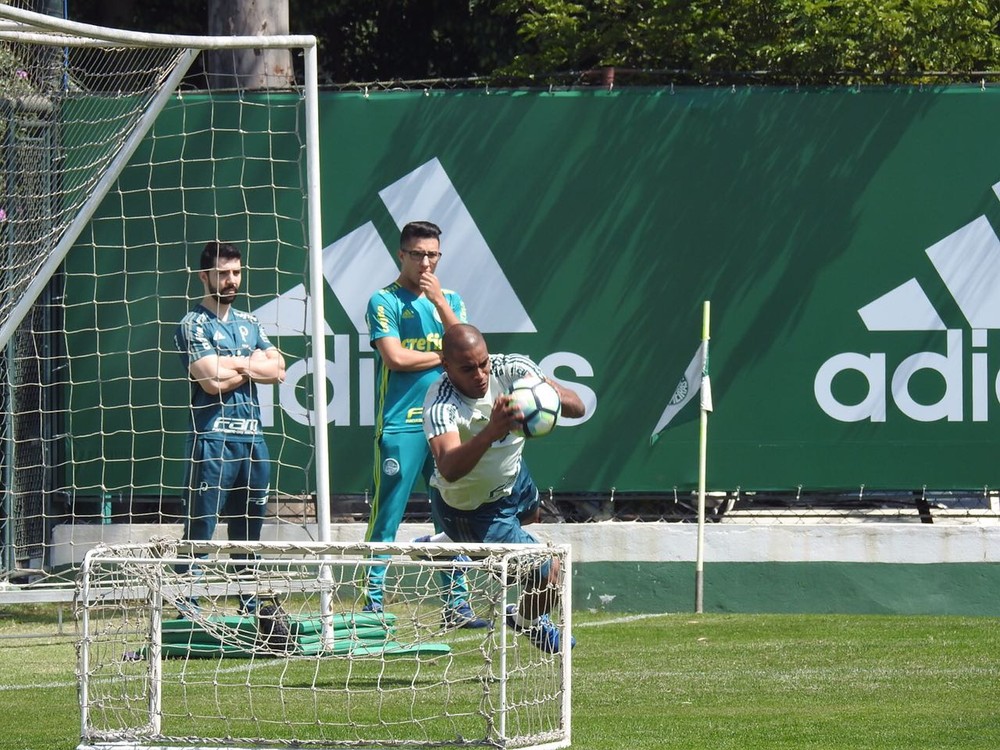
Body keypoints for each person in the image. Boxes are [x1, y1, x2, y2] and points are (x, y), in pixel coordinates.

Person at [422, 323, 586, 652]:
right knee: (548, 572)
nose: (480, 374)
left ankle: (447, 545)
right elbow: (450, 468)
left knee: (533, 513)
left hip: (512, 478)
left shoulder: (511, 368)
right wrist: (491, 431)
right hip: (471, 507)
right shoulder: (441, 402)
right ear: (446, 366)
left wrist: (547, 393)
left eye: (483, 363)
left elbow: (578, 407)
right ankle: (527, 621)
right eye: (468, 368)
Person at [363, 220, 487, 628]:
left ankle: (456, 605)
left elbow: (467, 346)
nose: (425, 263)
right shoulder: (383, 300)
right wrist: (446, 357)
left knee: (450, 515)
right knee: (388, 515)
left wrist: (441, 306)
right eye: (417, 254)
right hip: (401, 424)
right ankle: (372, 607)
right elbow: (395, 359)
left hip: (446, 422)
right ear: (401, 255)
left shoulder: (450, 300)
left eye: (432, 255)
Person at [174, 241, 286, 615]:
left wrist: (234, 366)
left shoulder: (250, 322)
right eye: (223, 274)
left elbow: (279, 369)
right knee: (201, 527)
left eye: (236, 272)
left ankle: (250, 602)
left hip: (253, 438)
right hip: (213, 438)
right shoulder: (192, 324)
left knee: (250, 531)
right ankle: (185, 603)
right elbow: (210, 382)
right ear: (204, 276)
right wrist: (252, 364)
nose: (231, 280)